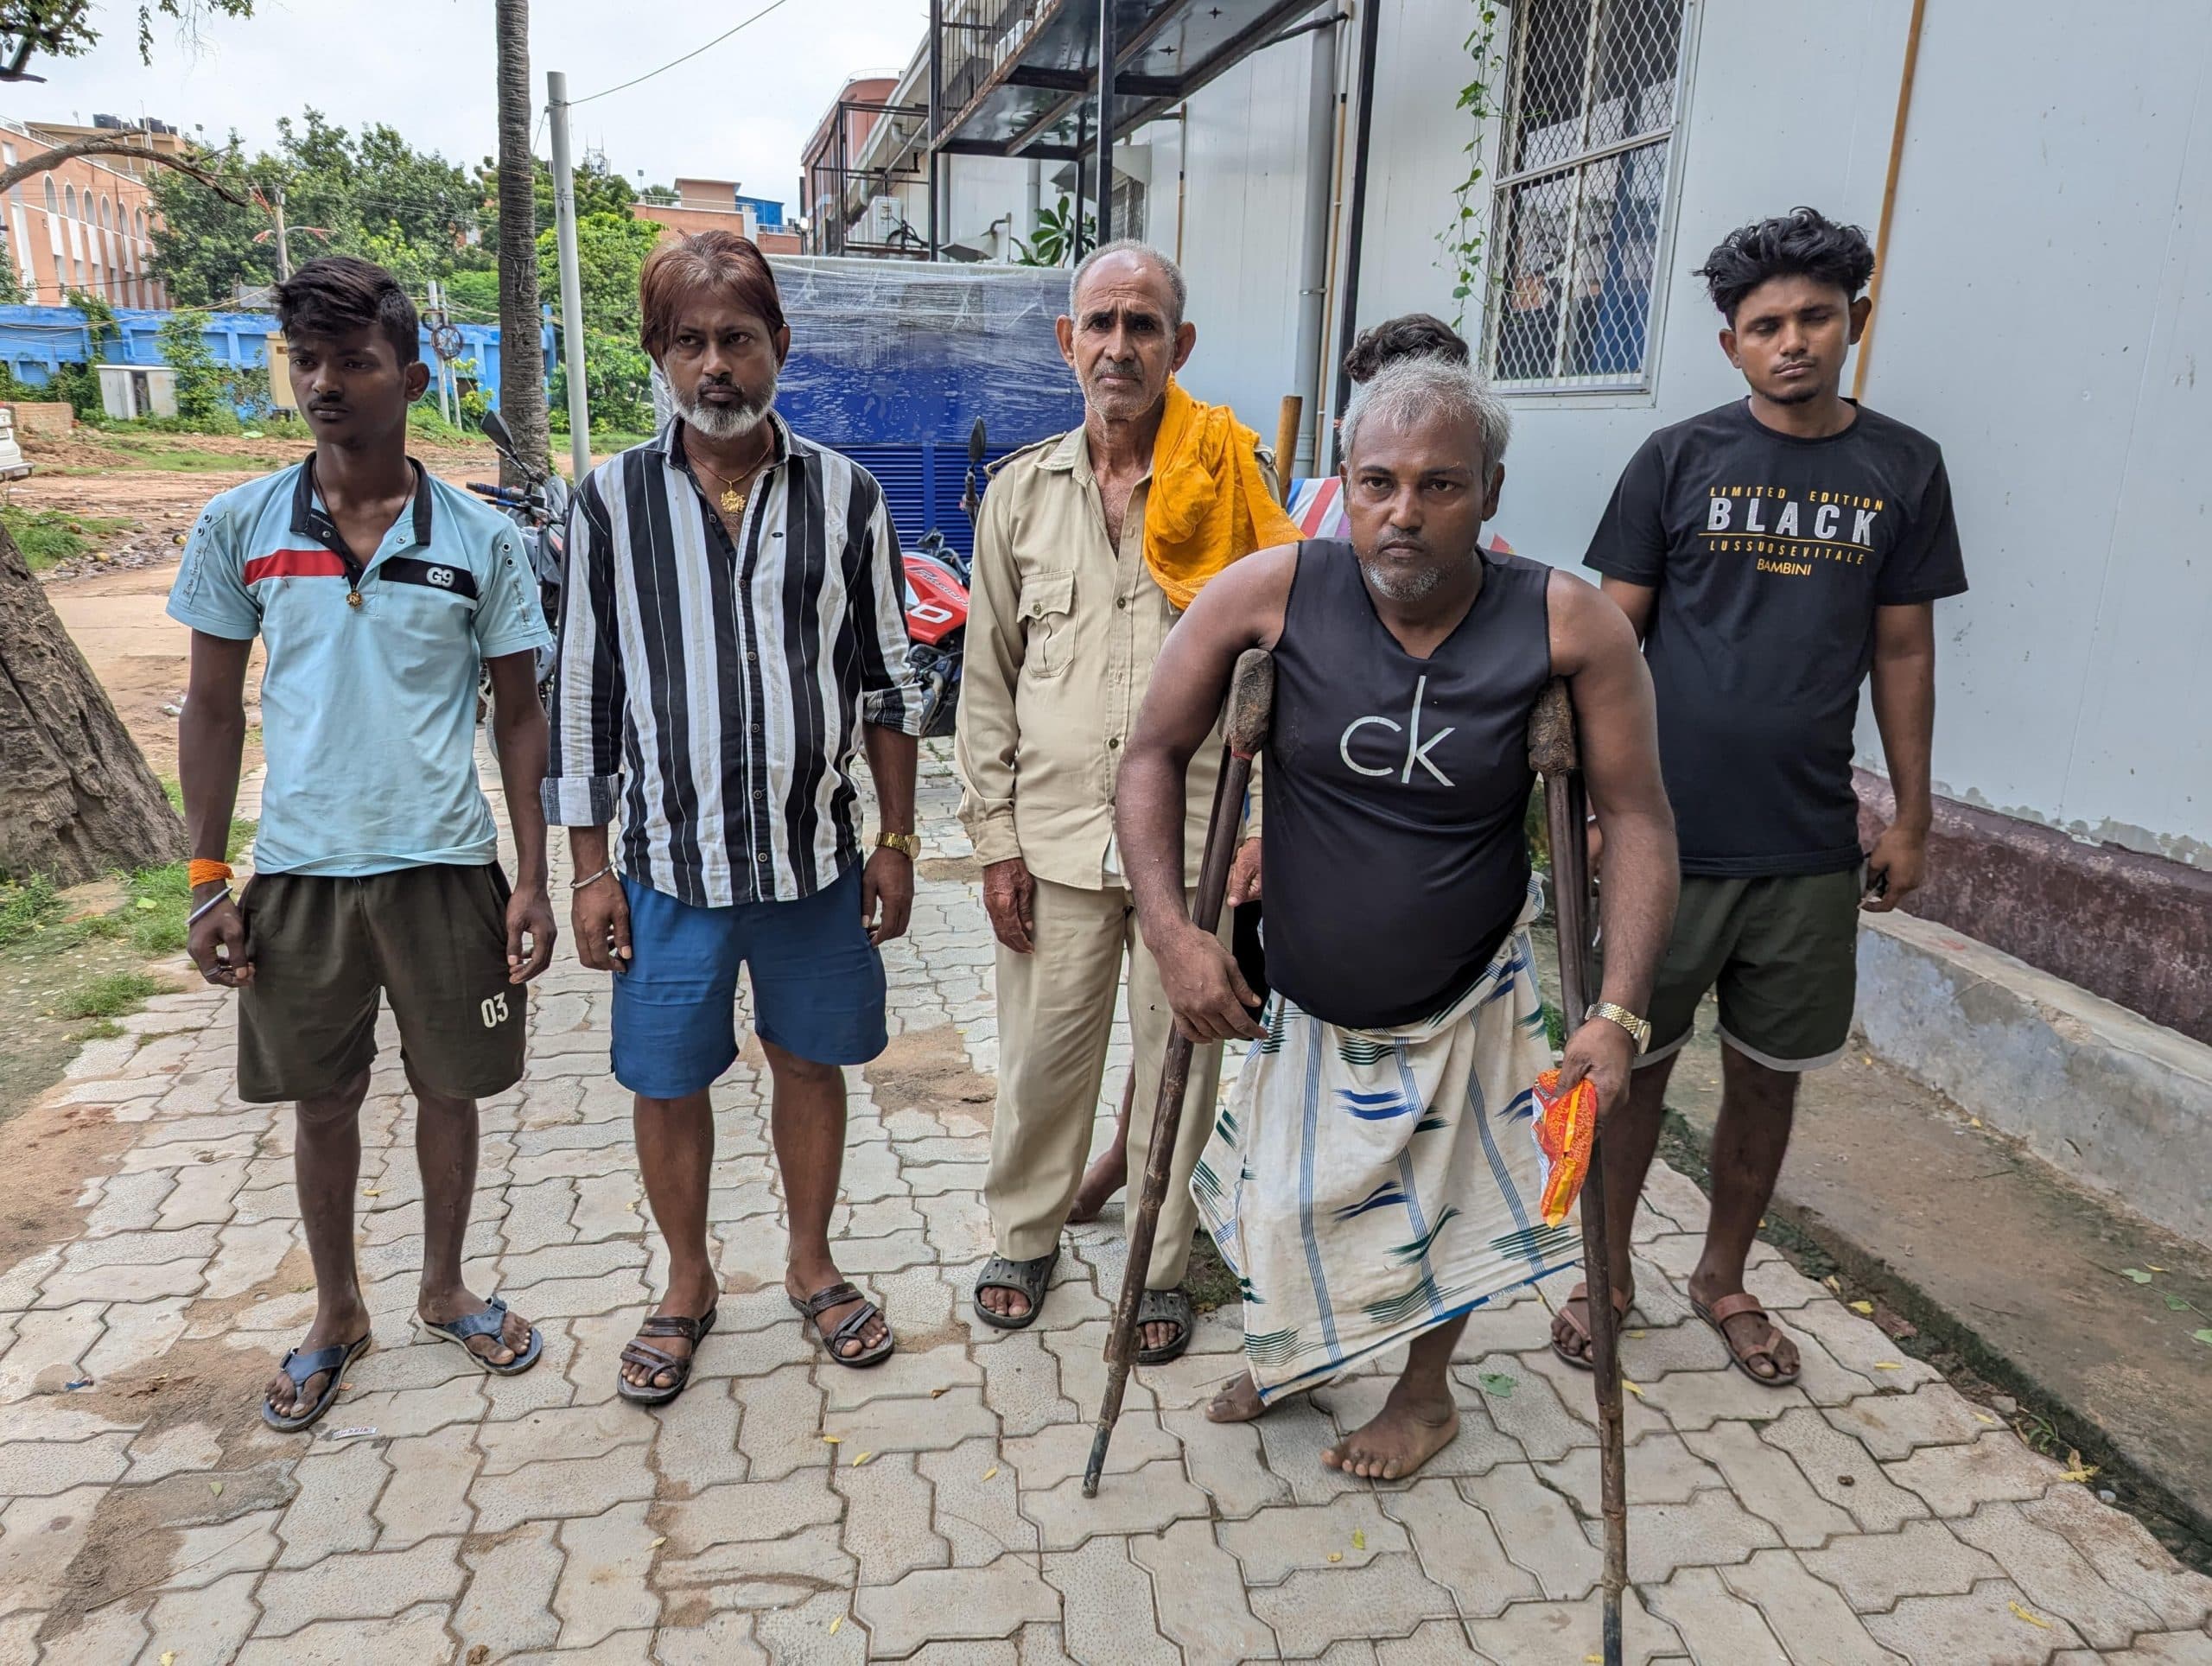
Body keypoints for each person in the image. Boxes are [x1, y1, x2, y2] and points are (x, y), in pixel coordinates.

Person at [1117, 354, 1679, 1478]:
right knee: (1283, 1204)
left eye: (1441, 485)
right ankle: (1303, 1353)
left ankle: (1424, 1399)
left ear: (1493, 490)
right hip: (1304, 1000)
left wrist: (1618, 1010)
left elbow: (1639, 817)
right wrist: (1173, 932)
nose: (1404, 513)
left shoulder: (1567, 625)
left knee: (1441, 1222)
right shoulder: (1269, 592)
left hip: (1468, 991)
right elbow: (1150, 756)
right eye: (1378, 482)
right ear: (1343, 482)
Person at [1561, 207, 1967, 1385]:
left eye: (1816, 319)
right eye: (1766, 325)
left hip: (1806, 846)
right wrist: (1595, 808)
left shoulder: (1904, 468)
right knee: (1627, 1061)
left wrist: (1914, 813)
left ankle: (1722, 1275)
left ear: (1856, 324)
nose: (1793, 342)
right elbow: (1607, 643)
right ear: (1729, 342)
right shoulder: (1677, 462)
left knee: (1768, 1074)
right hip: (1665, 840)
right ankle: (1612, 1267)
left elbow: (1903, 652)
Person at [169, 256, 556, 1431]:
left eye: (354, 361)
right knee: (322, 1103)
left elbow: (522, 712)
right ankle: (337, 1311)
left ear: (414, 376)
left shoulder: (479, 538)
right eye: (309, 362)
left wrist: (534, 874)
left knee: (452, 1091)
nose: (326, 384)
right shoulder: (240, 526)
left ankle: (444, 1288)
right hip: (299, 876)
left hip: (446, 869)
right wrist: (204, 879)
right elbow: (213, 708)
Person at [543, 231, 925, 1403]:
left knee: (810, 1065)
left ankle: (812, 1266)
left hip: (814, 861)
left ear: (778, 349)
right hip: (664, 865)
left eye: (738, 340)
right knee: (669, 1079)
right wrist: (588, 869)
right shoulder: (607, 502)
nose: (717, 365)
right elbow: (585, 689)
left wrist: (898, 841)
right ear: (659, 355)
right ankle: (687, 1282)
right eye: (691, 343)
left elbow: (888, 677)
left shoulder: (847, 497)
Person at [956, 238, 1300, 1359]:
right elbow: (987, 681)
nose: (1118, 346)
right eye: (1099, 323)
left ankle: (1158, 1261)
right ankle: (1025, 1232)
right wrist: (994, 842)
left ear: (1179, 346)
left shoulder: (1232, 481)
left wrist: (1264, 834)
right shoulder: (1019, 496)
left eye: (1142, 325)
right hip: (1053, 840)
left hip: (1195, 843)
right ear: (1068, 342)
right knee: (1044, 1059)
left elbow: (1288, 674)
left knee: (1179, 1064)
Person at [1065, 310, 1478, 1228]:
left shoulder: (1472, 529)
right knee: (1216, 995)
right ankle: (1148, 1164)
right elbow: (1265, 686)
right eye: (1379, 404)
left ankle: (1314, 1205)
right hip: (1299, 826)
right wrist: (1255, 827)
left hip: (1412, 848)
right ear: (1349, 420)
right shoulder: (1317, 513)